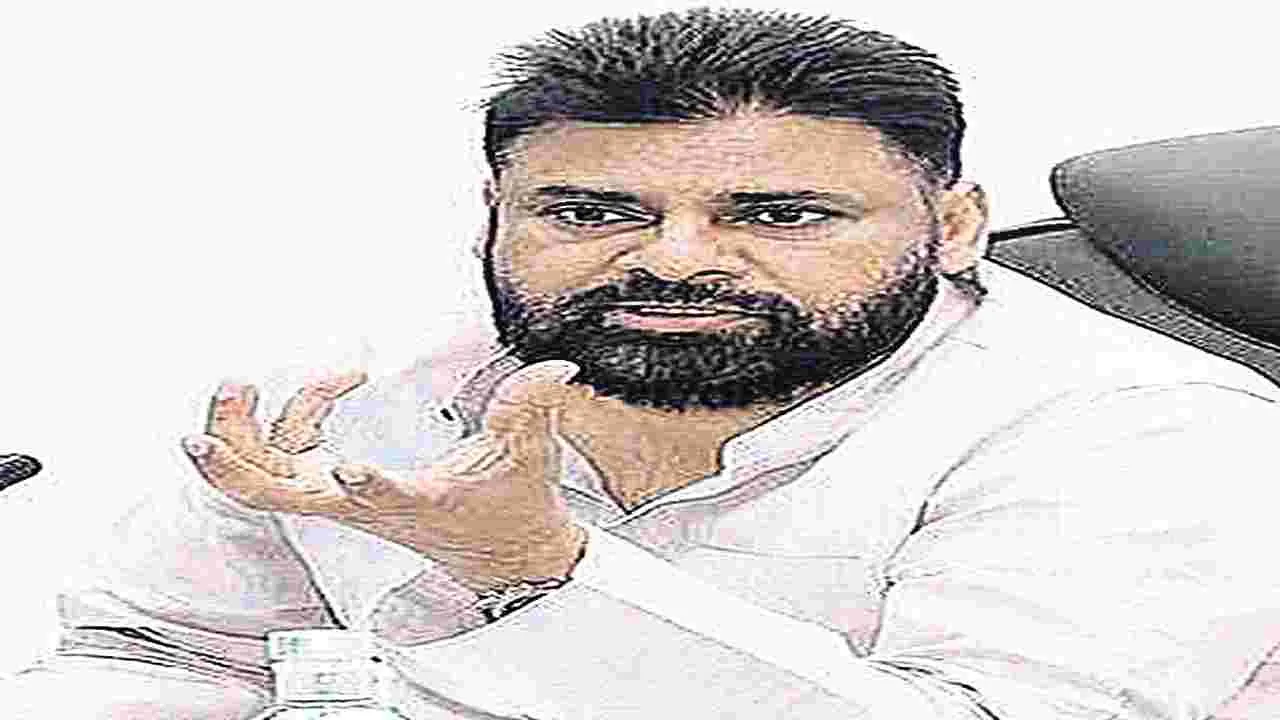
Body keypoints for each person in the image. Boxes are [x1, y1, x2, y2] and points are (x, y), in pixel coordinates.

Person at [7, 8, 1280, 719]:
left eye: (777, 215)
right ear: (493, 215)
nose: (670, 261)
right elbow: (157, 654)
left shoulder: (1148, 432)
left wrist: (533, 571)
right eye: (588, 213)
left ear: (951, 226)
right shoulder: (368, 397)